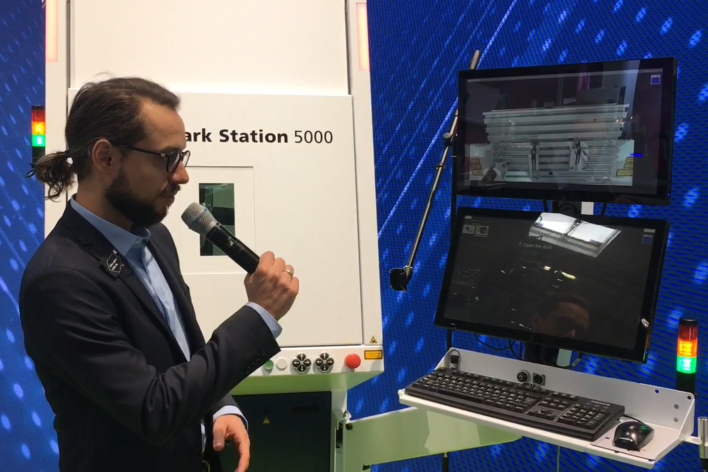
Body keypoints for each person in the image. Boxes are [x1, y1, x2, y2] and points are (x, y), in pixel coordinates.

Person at [19, 77, 299, 472]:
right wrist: (259, 315)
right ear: (105, 157)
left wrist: (221, 407)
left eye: (182, 156)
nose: (182, 176)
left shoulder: (156, 238)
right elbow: (154, 409)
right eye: (168, 158)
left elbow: (185, 351)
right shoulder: (60, 279)